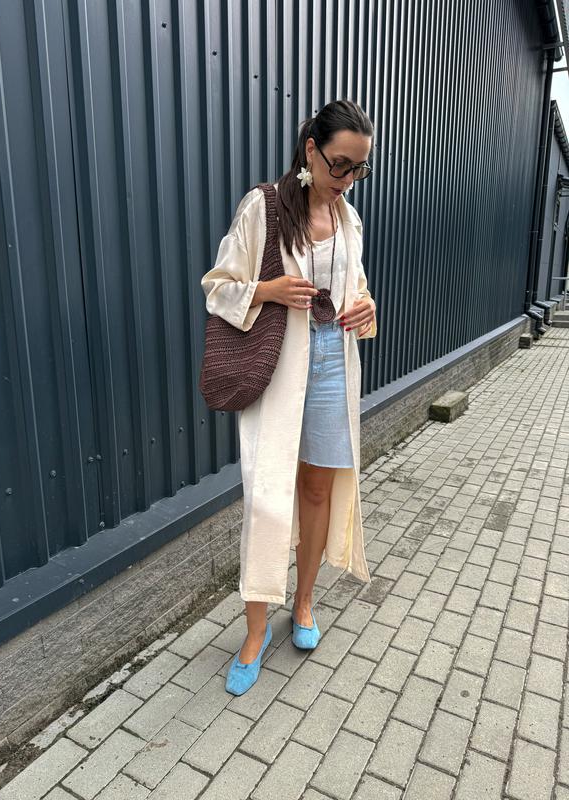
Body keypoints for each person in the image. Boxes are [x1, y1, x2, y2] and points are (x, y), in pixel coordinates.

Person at [201, 99, 377, 695]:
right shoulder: (265, 207)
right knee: (268, 493)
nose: (346, 178)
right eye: (338, 164)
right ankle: (255, 631)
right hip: (278, 364)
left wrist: (367, 307)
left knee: (318, 487)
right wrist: (269, 290)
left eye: (358, 168)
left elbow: (355, 288)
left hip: (333, 363)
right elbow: (218, 288)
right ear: (310, 150)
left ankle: (303, 603)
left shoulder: (349, 220)